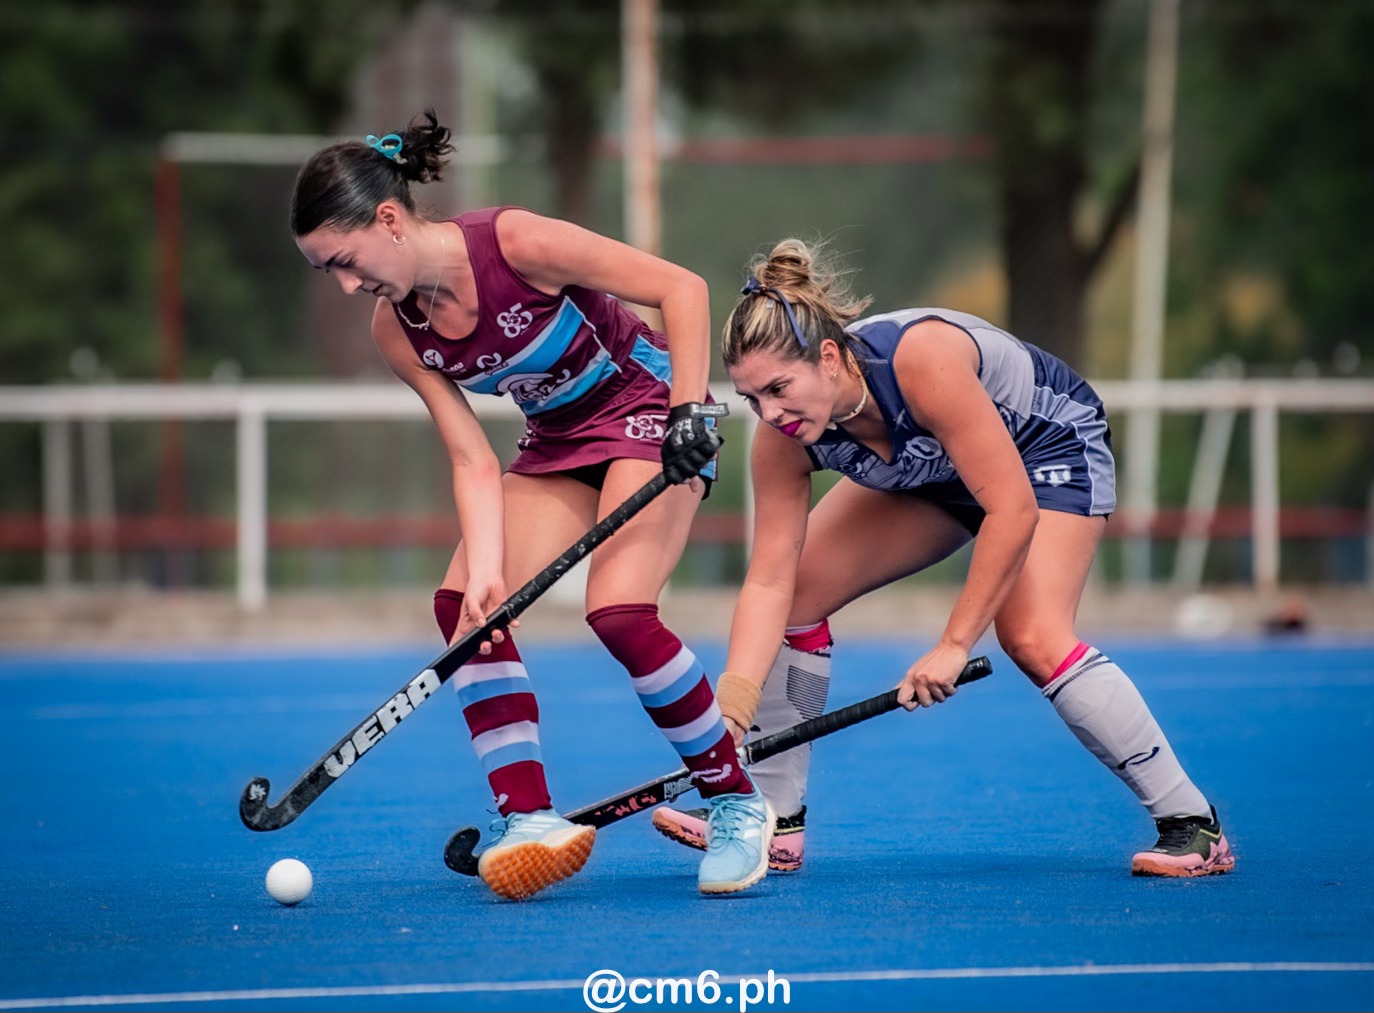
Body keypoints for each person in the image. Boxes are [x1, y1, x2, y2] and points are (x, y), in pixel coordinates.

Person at [289, 110, 775, 899]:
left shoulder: (515, 242)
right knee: (464, 605)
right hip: (557, 439)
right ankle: (528, 816)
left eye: (345, 261)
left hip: (647, 406)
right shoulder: (396, 330)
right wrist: (488, 573)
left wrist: (690, 411)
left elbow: (681, 288)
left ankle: (736, 803)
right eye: (327, 273)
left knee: (619, 611)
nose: (347, 285)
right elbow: (470, 458)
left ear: (388, 220)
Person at [652, 238, 1236, 879]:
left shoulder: (921, 363)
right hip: (934, 472)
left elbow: (1011, 511)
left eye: (778, 388)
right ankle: (773, 818)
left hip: (1043, 451)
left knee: (1032, 635)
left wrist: (955, 644)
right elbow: (768, 581)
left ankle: (1193, 824)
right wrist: (731, 715)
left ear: (828, 358)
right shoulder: (782, 437)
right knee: (798, 595)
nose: (771, 413)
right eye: (752, 398)